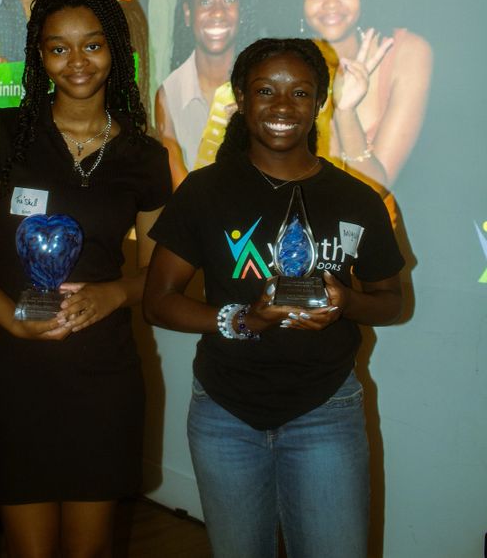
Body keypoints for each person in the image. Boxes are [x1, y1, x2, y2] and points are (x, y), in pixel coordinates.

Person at [144, 38, 404, 558]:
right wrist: (243, 319)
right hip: (225, 415)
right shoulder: (204, 191)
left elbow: (392, 300)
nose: (283, 107)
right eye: (266, 91)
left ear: (320, 102)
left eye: (300, 93)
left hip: (326, 410)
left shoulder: (359, 199)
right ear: (241, 96)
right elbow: (159, 300)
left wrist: (345, 304)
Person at [0, 0, 171, 558]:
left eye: (92, 45)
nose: (78, 62)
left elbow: (158, 273)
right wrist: (10, 319)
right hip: (15, 374)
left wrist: (114, 294)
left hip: (102, 376)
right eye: (58, 47)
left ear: (115, 51)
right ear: (38, 55)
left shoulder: (144, 156)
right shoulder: (4, 134)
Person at [258, 0, 433, 188]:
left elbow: (376, 188)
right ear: (298, 1)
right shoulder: (283, 68)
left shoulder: (408, 53)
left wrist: (345, 112)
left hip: (374, 220)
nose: (331, 3)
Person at [155, 0, 256, 189]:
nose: (218, 12)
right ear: (188, 13)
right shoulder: (169, 95)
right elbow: (182, 190)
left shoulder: (261, 88)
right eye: (205, 1)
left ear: (242, 11)